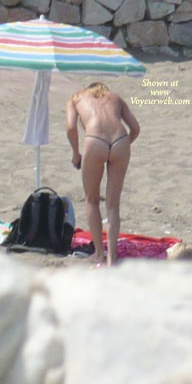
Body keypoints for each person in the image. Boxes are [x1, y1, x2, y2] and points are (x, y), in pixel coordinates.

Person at [66, 82, 140, 267]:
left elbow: (70, 128)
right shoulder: (115, 97)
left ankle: (99, 253)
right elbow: (136, 129)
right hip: (120, 140)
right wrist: (122, 148)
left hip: (95, 141)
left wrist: (76, 154)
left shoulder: (75, 98)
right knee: (113, 203)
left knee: (92, 200)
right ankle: (111, 257)